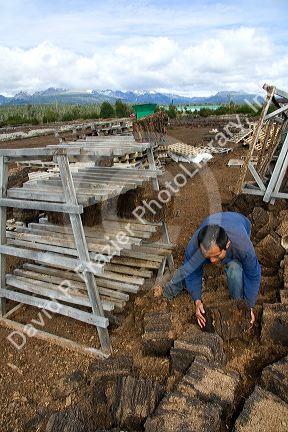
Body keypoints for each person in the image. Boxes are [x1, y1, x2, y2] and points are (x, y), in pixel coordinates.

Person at [160, 211, 261, 328]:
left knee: (235, 269)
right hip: (213, 220)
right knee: (186, 270)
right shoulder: (194, 246)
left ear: (227, 245)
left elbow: (253, 274)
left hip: (240, 222)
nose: (212, 261)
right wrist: (197, 301)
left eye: (217, 256)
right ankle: (165, 294)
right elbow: (193, 273)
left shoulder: (243, 246)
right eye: (208, 256)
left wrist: (248, 307)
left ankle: (237, 303)